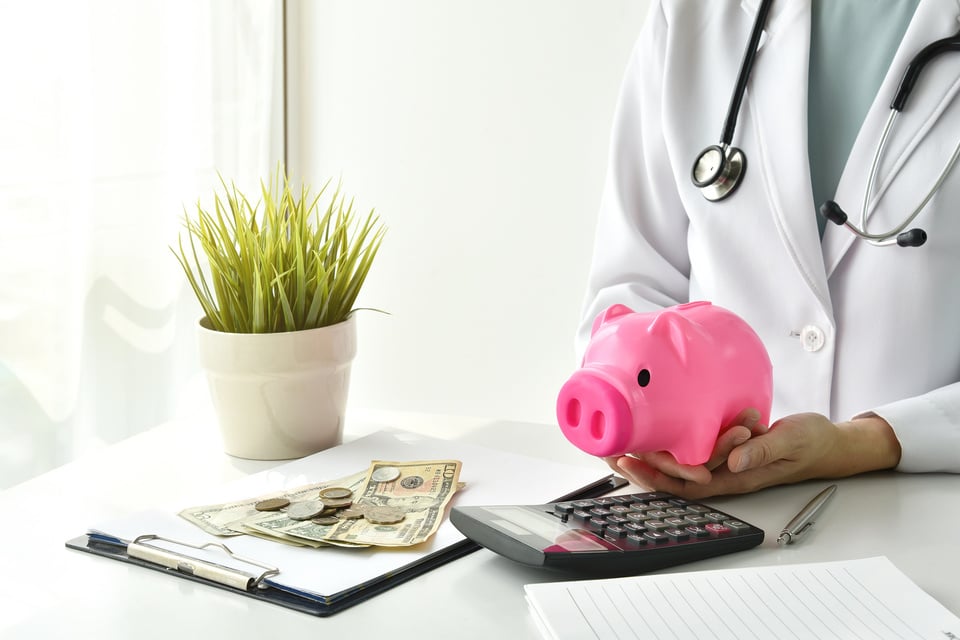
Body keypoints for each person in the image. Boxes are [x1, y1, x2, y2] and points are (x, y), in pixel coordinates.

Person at [578, 0, 960, 498]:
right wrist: (639, 416)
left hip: (925, 518)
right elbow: (631, 285)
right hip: (709, 521)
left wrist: (871, 441)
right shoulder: (695, 14)